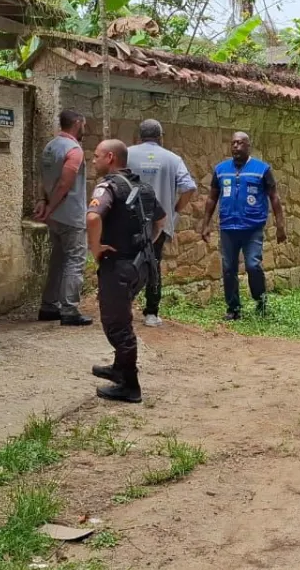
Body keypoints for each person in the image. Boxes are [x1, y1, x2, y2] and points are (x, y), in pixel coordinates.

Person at [86, 139, 165, 403]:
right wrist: (145, 244)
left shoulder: (108, 186)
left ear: (110, 157)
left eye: (96, 156)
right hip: (138, 267)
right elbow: (161, 220)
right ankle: (120, 368)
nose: (93, 160)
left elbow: (93, 217)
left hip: (117, 267)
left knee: (118, 326)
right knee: (120, 318)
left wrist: (95, 248)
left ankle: (130, 386)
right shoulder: (143, 187)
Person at [198, 131, 287, 321]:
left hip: (252, 227)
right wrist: (205, 224)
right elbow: (212, 197)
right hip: (229, 227)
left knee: (253, 265)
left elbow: (274, 197)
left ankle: (260, 300)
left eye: (240, 143)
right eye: (233, 143)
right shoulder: (221, 169)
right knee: (229, 267)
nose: (236, 146)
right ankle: (233, 308)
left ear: (248, 146)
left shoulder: (262, 169)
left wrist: (280, 225)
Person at [126, 118, 196, 327]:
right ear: (161, 137)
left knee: (125, 262)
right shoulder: (172, 159)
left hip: (129, 221)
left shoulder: (127, 153)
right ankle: (151, 313)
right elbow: (189, 187)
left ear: (139, 136)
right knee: (153, 264)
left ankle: (123, 306)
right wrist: (175, 209)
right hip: (159, 222)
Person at [35, 110, 92, 326]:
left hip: (55, 218)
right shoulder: (74, 150)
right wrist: (50, 206)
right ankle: (69, 309)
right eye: (84, 124)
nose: (84, 128)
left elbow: (44, 177)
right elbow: (64, 184)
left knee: (57, 260)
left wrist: (43, 201)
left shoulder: (50, 147)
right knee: (75, 260)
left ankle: (49, 305)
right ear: (77, 123)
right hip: (70, 215)